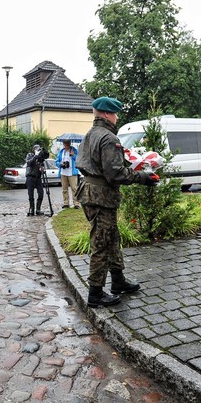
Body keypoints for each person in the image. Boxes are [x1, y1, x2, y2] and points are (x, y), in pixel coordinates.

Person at [76, 97, 159, 308]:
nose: (117, 117)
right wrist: (143, 177)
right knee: (102, 242)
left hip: (91, 194)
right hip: (101, 196)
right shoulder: (109, 138)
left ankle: (118, 280)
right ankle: (95, 293)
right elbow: (115, 173)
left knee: (112, 237)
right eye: (115, 113)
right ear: (105, 114)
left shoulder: (90, 135)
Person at [56, 139, 81, 209]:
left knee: (74, 188)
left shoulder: (74, 150)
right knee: (64, 189)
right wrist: (60, 164)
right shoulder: (61, 151)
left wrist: (73, 155)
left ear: (70, 143)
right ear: (63, 144)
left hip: (72, 172)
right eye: (65, 143)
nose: (66, 144)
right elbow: (57, 161)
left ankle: (76, 203)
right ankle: (66, 203)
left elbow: (79, 159)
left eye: (68, 143)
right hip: (63, 172)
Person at [25, 143, 48, 216]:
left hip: (38, 177)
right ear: (34, 149)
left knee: (41, 193)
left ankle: (38, 209)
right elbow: (29, 163)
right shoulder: (30, 155)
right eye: (37, 149)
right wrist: (35, 156)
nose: (38, 150)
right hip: (30, 176)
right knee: (30, 194)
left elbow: (43, 164)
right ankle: (32, 209)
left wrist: (42, 168)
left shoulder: (40, 157)